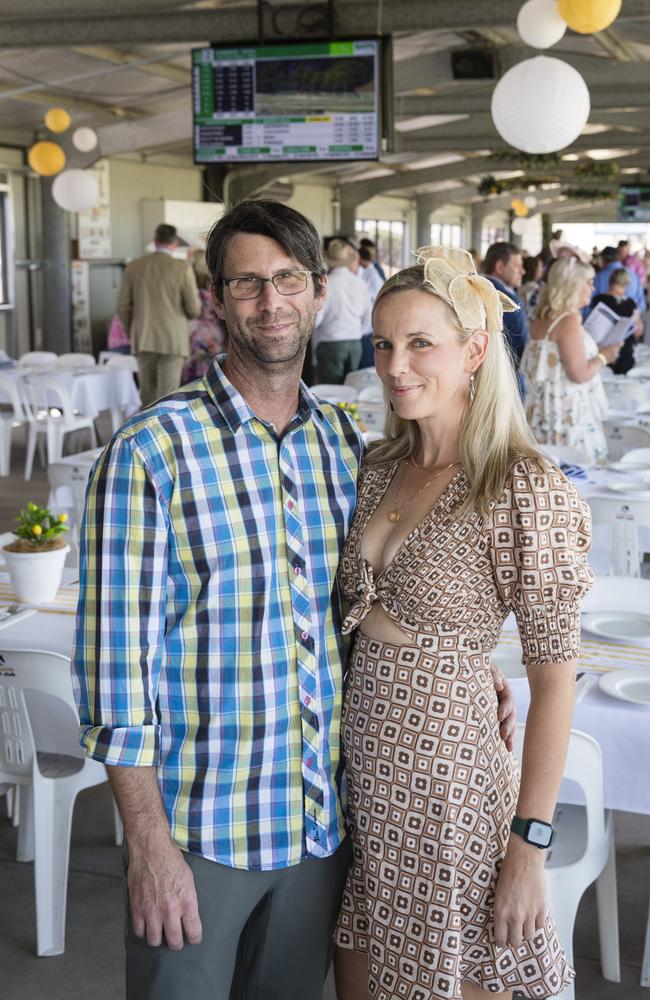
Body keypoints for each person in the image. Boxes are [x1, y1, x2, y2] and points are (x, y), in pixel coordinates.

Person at [72, 201, 516, 1000]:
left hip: (321, 831)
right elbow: (114, 676)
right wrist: (146, 844)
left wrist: (457, 663)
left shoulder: (350, 447)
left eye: (286, 281)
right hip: (200, 835)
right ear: (216, 298)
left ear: (318, 292)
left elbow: (366, 599)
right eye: (246, 283)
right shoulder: (150, 453)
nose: (269, 303)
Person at [333, 246, 592, 1000]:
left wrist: (528, 850)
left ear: (476, 349)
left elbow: (554, 683)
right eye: (384, 343)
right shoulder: (379, 464)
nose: (394, 365)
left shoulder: (521, 486)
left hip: (451, 794)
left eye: (421, 343)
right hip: (367, 789)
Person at [522, 256, 621, 465]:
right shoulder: (568, 320)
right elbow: (579, 374)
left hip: (542, 412)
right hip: (567, 415)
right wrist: (604, 356)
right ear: (573, 285)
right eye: (589, 282)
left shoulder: (539, 319)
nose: (593, 288)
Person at [117, 223, 201, 407]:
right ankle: (164, 435)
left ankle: (145, 433)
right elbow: (194, 309)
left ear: (155, 242)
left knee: (147, 395)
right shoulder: (182, 268)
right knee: (167, 396)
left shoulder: (133, 267)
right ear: (175, 243)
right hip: (172, 339)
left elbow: (123, 306)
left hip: (143, 337)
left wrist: (133, 329)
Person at [313, 237, 372, 383]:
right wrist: (356, 333)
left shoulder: (326, 285)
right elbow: (368, 318)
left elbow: (317, 319)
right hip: (355, 344)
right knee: (352, 386)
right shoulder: (360, 284)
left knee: (331, 391)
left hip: (330, 343)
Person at [481, 242, 528, 391]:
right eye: (518, 266)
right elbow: (520, 349)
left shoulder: (473, 288)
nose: (523, 271)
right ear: (500, 267)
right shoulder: (509, 301)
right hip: (506, 380)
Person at [180, 249, 228, 383]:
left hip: (192, 335)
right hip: (214, 335)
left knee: (191, 378)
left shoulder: (188, 285)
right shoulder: (213, 285)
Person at [590, 267, 643, 376]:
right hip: (624, 355)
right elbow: (638, 332)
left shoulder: (598, 300)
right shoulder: (630, 303)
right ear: (626, 283)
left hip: (601, 352)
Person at [593, 246, 645, 314]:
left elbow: (589, 305)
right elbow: (641, 304)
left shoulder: (599, 277)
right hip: (630, 321)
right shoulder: (633, 273)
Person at [519, 253, 543, 321]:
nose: (542, 269)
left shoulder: (520, 286)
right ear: (534, 269)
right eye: (540, 266)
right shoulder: (535, 289)